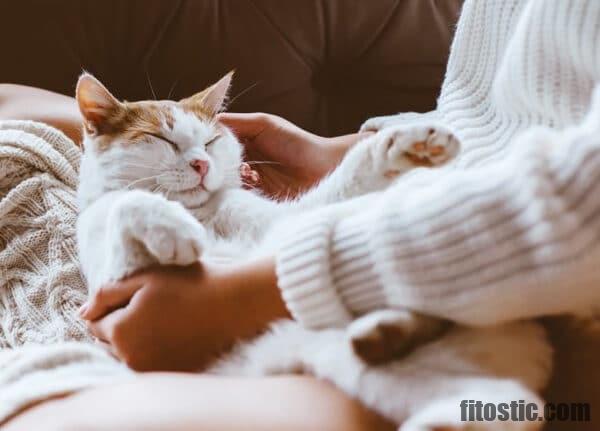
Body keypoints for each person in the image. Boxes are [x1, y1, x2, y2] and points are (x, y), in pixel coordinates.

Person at [3, 0, 600, 429]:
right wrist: (344, 153)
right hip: (442, 217)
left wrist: (245, 296)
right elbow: (503, 119)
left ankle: (472, 401)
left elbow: (581, 192)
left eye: (211, 146)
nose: (202, 164)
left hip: (507, 261)